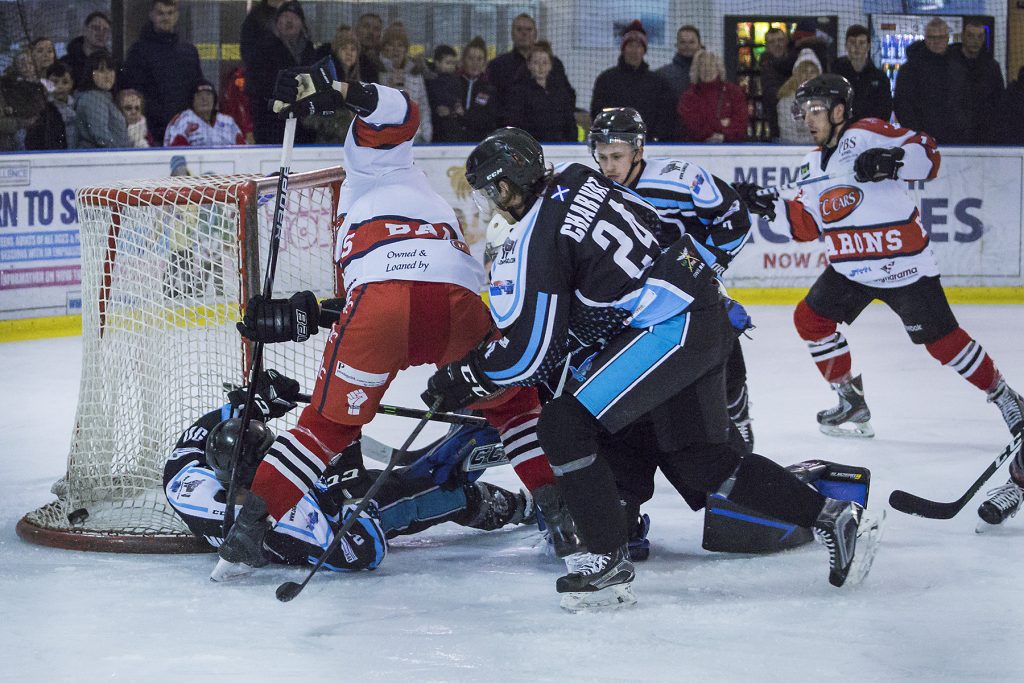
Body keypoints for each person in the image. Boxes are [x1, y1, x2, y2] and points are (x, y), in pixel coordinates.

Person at [423, 126, 884, 611]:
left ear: (505, 187)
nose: (487, 205)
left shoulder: (537, 236)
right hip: (705, 312)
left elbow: (528, 355)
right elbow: (660, 229)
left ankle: (605, 564)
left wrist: (465, 377)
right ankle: (834, 516)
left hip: (670, 330)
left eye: (486, 193)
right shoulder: (580, 178)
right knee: (700, 460)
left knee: (562, 425)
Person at [211, 69, 579, 578]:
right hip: (456, 299)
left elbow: (402, 111)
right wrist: (311, 314)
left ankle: (246, 536)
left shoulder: (374, 162)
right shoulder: (416, 195)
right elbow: (403, 297)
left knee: (323, 430)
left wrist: (337, 91)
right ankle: (561, 519)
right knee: (515, 410)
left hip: (384, 301)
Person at [734, 74, 1024, 444]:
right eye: (804, 111)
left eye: (816, 110)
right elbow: (807, 227)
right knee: (810, 319)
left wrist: (892, 161)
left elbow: (929, 155)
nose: (808, 120)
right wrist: (771, 206)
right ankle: (850, 400)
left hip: (903, 266)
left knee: (943, 342)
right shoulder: (810, 165)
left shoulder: (868, 133)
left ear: (839, 111)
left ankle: (1004, 395)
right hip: (851, 269)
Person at [168, 370, 533, 581]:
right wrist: (348, 479)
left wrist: (245, 406)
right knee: (437, 487)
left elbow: (185, 451)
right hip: (354, 517)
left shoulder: (189, 487)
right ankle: (524, 506)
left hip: (321, 501)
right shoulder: (292, 523)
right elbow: (361, 550)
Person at [586, 106, 756, 552]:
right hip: (643, 312)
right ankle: (625, 497)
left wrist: (701, 269)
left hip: (690, 301)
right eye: (601, 157)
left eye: (616, 157)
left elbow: (734, 218)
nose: (608, 167)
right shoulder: (599, 194)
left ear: (639, 150)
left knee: (715, 352)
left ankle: (736, 417)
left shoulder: (681, 178)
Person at [119, 0, 204, 145]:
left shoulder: (189, 51)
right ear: (151, 15)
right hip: (151, 133)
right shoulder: (138, 52)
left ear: (176, 16)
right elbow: (133, 92)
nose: (166, 18)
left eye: (170, 13)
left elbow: (198, 87)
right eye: (160, 13)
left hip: (184, 132)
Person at [244, 0, 321, 144]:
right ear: (277, 23)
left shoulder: (310, 51)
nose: (289, 20)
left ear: (301, 23)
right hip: (271, 125)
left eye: (294, 17)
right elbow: (258, 87)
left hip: (304, 127)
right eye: (285, 16)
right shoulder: (264, 49)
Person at [589, 20, 675, 142]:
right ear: (623, 49)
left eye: (638, 46)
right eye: (630, 46)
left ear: (644, 50)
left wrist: (654, 138)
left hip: (649, 144)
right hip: (615, 144)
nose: (634, 51)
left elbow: (665, 116)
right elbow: (598, 113)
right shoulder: (606, 80)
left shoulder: (658, 83)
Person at [485, 13, 571, 126]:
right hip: (509, 128)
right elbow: (492, 102)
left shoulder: (555, 64)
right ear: (512, 34)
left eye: (528, 29)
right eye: (519, 29)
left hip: (551, 132)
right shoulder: (498, 65)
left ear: (535, 34)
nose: (524, 33)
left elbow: (566, 95)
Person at [894, 18, 969, 145]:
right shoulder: (910, 69)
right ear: (925, 38)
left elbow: (966, 100)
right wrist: (917, 134)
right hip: (921, 141)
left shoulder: (959, 66)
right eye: (932, 37)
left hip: (956, 140)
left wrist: (964, 128)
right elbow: (902, 105)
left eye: (940, 37)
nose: (936, 41)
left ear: (947, 38)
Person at [428, 36, 497, 143]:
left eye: (479, 59)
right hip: (448, 143)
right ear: (463, 60)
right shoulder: (450, 82)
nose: (475, 63)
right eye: (471, 58)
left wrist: (464, 115)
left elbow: (488, 121)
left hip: (478, 145)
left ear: (484, 62)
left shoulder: (489, 90)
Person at [506, 42, 576, 142]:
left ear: (551, 65)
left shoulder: (560, 91)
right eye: (536, 62)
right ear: (529, 65)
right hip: (531, 146)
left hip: (559, 145)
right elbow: (516, 124)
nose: (540, 67)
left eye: (544, 62)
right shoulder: (519, 92)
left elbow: (570, 122)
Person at [302, 25, 358, 145]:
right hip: (328, 144)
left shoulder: (359, 81)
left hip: (353, 145)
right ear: (336, 51)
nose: (349, 53)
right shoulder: (325, 79)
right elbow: (308, 116)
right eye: (344, 48)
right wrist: (340, 122)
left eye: (353, 49)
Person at [951, 18, 1004, 144]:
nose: (975, 41)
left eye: (979, 36)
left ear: (984, 39)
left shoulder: (992, 67)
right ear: (963, 37)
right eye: (971, 36)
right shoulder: (949, 63)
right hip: (953, 134)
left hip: (983, 136)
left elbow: (999, 101)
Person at [677, 50, 747, 143]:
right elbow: (693, 128)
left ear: (718, 68)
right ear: (697, 69)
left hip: (729, 149)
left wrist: (724, 136)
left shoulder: (734, 92)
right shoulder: (688, 97)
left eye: (711, 65)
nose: (707, 70)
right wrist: (721, 124)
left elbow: (741, 126)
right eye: (702, 66)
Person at [378, 22, 431, 143]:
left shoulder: (415, 74)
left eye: (400, 45)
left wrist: (426, 136)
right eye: (391, 45)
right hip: (387, 138)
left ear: (405, 49)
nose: (396, 49)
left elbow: (423, 106)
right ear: (384, 48)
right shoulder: (378, 73)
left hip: (415, 137)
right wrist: (391, 86)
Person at [831, 24, 892, 123]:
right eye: (852, 42)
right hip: (843, 131)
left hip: (871, 133)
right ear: (846, 45)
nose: (856, 47)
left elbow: (885, 111)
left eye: (861, 43)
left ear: (868, 46)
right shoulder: (835, 75)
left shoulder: (880, 78)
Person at [164, 79, 245, 147]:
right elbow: (174, 153)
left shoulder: (228, 122)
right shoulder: (183, 120)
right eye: (199, 95)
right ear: (192, 100)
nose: (204, 99)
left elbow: (243, 150)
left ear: (214, 99)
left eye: (208, 94)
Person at [75, 51, 130, 149]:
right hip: (99, 159)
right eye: (101, 70)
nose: (107, 75)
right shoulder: (93, 98)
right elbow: (101, 136)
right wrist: (120, 154)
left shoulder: (105, 98)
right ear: (90, 73)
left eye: (110, 69)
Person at [776, 49, 821, 145]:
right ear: (797, 75)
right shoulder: (785, 102)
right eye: (804, 71)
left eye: (812, 72)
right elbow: (787, 136)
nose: (808, 76)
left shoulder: (826, 102)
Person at [61, 11, 114, 93]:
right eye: (96, 28)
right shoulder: (66, 63)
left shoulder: (112, 64)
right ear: (85, 30)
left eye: (105, 30)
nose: (101, 33)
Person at [655, 25, 702, 113]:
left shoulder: (708, 74)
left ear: (699, 45)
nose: (687, 46)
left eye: (691, 42)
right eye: (683, 42)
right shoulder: (663, 75)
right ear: (677, 45)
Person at [758, 26, 793, 140]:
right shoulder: (766, 65)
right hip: (775, 122)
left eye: (780, 40)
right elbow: (771, 93)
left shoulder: (795, 62)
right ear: (767, 46)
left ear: (786, 41)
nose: (777, 44)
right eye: (772, 42)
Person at [46, 63, 78, 149]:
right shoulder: (46, 109)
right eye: (54, 82)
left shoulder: (77, 104)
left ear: (71, 84)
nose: (60, 86)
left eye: (65, 82)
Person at [353, 12, 383, 84]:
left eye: (376, 29)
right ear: (356, 29)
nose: (371, 32)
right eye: (366, 26)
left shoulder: (385, 59)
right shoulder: (346, 56)